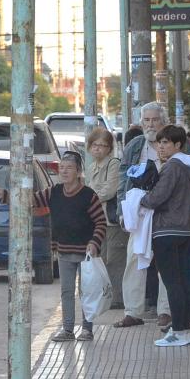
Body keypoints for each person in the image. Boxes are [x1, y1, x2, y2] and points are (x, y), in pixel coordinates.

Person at [0, 151, 106, 342]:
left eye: (69, 168)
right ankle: (68, 329)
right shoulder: (53, 192)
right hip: (64, 251)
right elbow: (30, 200)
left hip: (86, 253)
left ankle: (87, 329)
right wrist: (6, 195)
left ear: (79, 171)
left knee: (86, 291)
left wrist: (94, 242)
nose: (64, 171)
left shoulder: (89, 195)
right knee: (66, 291)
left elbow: (100, 222)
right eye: (62, 167)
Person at [139, 125, 190, 347]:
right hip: (185, 228)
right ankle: (184, 328)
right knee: (181, 281)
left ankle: (180, 330)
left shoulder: (172, 167)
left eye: (166, 143)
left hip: (166, 230)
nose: (160, 147)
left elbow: (157, 198)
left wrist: (141, 199)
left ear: (178, 145)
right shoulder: (187, 166)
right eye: (159, 142)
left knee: (172, 282)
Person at [113, 102, 170, 329]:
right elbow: (123, 178)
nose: (150, 124)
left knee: (166, 261)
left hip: (166, 211)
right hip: (139, 211)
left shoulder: (173, 143)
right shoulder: (136, 145)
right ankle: (133, 312)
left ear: (162, 121)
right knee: (134, 260)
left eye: (154, 120)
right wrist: (121, 210)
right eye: (146, 120)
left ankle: (166, 310)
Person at [84, 128, 124, 309]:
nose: (98, 149)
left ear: (109, 148)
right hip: (97, 221)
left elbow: (109, 190)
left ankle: (118, 299)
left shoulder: (113, 164)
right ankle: (108, 296)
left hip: (111, 220)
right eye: (95, 145)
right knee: (102, 259)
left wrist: (90, 199)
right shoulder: (92, 167)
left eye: (103, 146)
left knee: (115, 260)